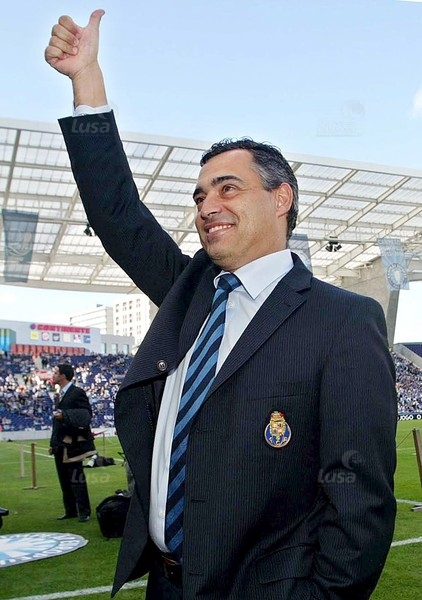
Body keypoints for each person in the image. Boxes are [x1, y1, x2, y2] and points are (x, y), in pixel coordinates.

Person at [45, 11, 397, 600]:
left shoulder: (342, 320)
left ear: (281, 198)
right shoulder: (189, 294)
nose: (208, 205)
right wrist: (86, 81)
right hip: (165, 585)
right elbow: (118, 215)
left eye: (228, 188)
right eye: (201, 195)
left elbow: (357, 494)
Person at [49, 363, 96, 522]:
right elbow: (56, 423)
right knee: (64, 479)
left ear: (63, 376)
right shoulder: (59, 395)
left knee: (77, 478)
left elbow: (85, 414)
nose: (54, 375)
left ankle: (84, 511)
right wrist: (53, 443)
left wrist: (65, 415)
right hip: (60, 444)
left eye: (56, 373)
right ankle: (70, 510)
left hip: (74, 444)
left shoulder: (77, 393)